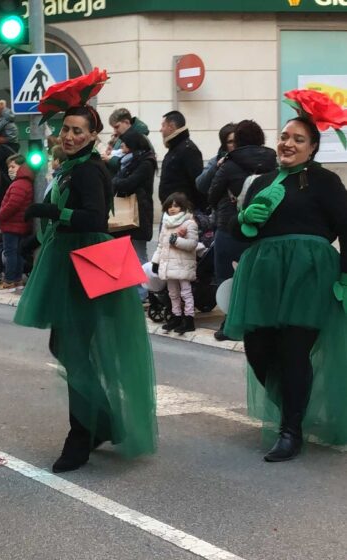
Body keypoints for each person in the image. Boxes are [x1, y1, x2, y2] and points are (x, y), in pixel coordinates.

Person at [15, 68, 157, 472]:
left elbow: (95, 217)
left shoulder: (91, 168)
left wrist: (53, 211)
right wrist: (38, 237)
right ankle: (101, 421)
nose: (70, 135)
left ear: (93, 135)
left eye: (78, 130)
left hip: (84, 263)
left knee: (74, 350)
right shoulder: (72, 166)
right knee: (68, 348)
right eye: (66, 129)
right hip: (67, 259)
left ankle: (83, 433)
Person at [224, 90, 347, 461]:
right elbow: (237, 228)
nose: (287, 143)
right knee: (258, 349)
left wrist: (344, 276)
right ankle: (295, 408)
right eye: (284, 136)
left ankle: (291, 430)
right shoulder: (261, 182)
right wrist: (242, 219)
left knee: (294, 350)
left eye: (298, 139)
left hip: (307, 275)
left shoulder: (325, 181)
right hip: (264, 275)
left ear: (312, 148)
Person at [207, 120, 276, 340]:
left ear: (237, 141)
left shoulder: (229, 163)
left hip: (230, 225)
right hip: (262, 230)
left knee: (227, 277)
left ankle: (229, 324)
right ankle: (258, 322)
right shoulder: (273, 163)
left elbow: (211, 194)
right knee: (258, 277)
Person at [111, 128, 156, 300]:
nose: (121, 146)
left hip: (139, 213)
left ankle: (142, 292)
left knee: (139, 254)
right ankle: (133, 291)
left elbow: (128, 183)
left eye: (124, 143)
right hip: (129, 214)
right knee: (128, 254)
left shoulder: (146, 162)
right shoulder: (130, 161)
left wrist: (116, 182)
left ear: (132, 145)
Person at [151, 193, 199, 333]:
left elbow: (192, 244)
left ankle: (189, 319)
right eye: (169, 206)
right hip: (168, 265)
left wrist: (176, 241)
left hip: (183, 264)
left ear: (183, 207)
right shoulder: (166, 224)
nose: (172, 209)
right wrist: (156, 260)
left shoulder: (189, 223)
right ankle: (176, 316)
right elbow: (161, 245)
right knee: (173, 292)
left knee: (185, 292)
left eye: (176, 206)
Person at [0, 154, 34, 291]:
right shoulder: (26, 182)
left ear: (21, 166)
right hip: (19, 224)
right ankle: (16, 280)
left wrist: (0, 216)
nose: (10, 170)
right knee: (17, 253)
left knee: (10, 253)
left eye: (13, 166)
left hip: (12, 224)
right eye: (9, 167)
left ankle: (10, 280)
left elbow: (13, 204)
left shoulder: (19, 184)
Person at [158, 110, 205, 209]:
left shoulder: (188, 149)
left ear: (171, 127)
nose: (160, 130)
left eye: (163, 126)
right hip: (172, 210)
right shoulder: (175, 148)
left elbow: (197, 183)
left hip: (183, 211)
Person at [103, 108, 151, 175]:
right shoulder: (122, 137)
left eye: (117, 127)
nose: (115, 131)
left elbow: (134, 166)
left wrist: (110, 160)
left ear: (127, 122)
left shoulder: (140, 139)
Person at [196, 122, 236, 196]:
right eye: (230, 142)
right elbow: (201, 185)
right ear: (224, 144)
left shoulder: (247, 158)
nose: (234, 144)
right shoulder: (215, 160)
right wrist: (216, 166)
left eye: (236, 140)